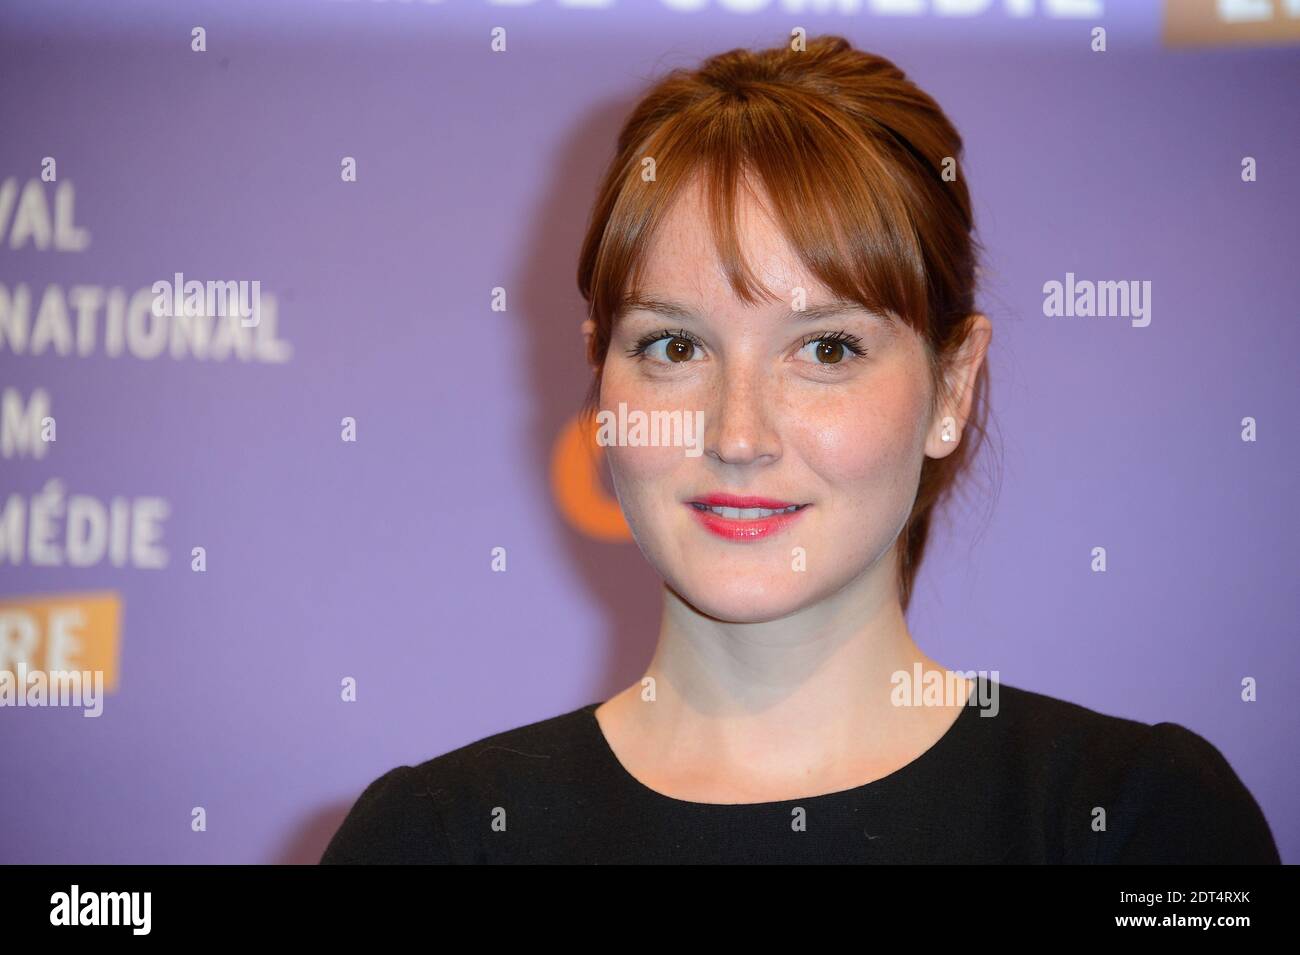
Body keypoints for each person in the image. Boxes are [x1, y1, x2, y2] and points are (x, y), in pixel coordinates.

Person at [320, 34, 1279, 864]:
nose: (738, 434)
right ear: (602, 387)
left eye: (826, 349)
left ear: (953, 384)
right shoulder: (433, 839)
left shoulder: (1139, 824)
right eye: (674, 345)